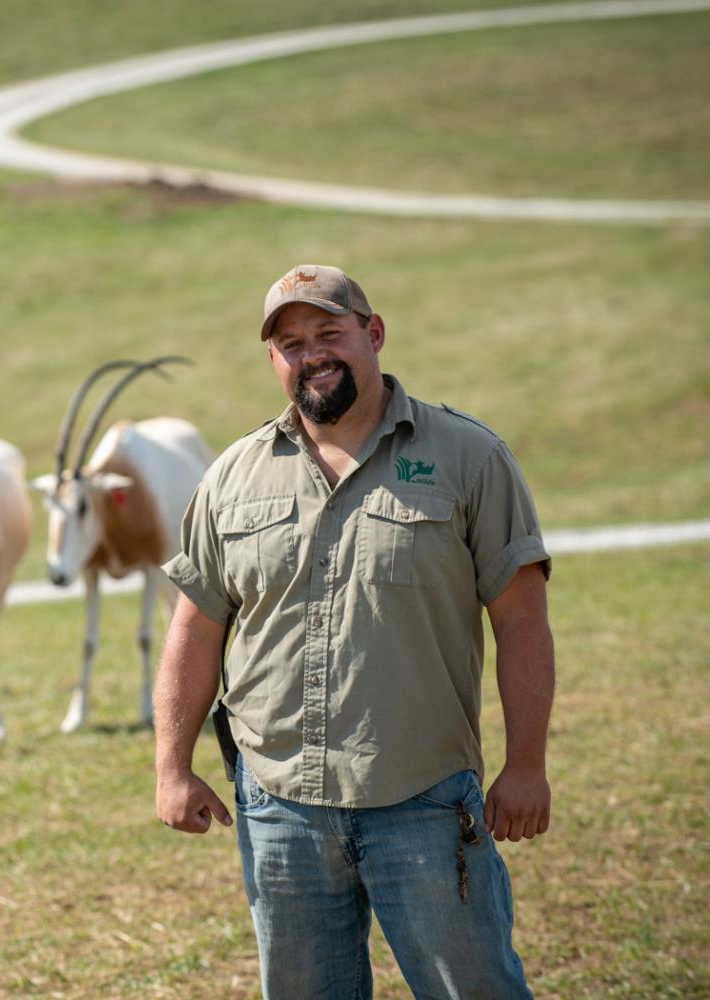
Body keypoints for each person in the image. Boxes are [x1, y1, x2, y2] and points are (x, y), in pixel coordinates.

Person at [154, 264, 554, 999]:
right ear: (275, 361)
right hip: (279, 808)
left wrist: (525, 765)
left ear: (372, 335)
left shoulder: (468, 457)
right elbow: (194, 628)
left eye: (328, 333)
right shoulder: (232, 476)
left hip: (424, 803)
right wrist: (171, 767)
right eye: (291, 343)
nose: (312, 354)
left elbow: (522, 619)